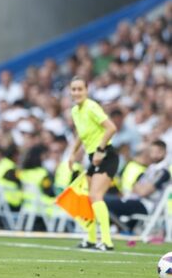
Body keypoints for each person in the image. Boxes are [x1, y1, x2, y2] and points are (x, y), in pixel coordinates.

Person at [68, 76, 118, 251]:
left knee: (96, 196)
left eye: (80, 89)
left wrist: (100, 150)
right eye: (73, 89)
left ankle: (106, 241)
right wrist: (72, 154)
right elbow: (81, 135)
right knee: (87, 197)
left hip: (106, 155)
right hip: (93, 156)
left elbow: (111, 127)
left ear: (87, 90)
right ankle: (90, 239)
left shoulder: (91, 107)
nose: (76, 92)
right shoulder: (75, 111)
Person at [106, 140, 170, 233]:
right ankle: (121, 228)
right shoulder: (149, 169)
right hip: (135, 200)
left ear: (164, 152)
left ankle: (122, 228)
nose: (154, 155)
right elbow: (134, 187)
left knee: (105, 201)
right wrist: (140, 189)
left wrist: (140, 188)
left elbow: (143, 192)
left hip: (146, 205)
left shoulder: (163, 172)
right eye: (152, 152)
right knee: (105, 201)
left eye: (158, 152)